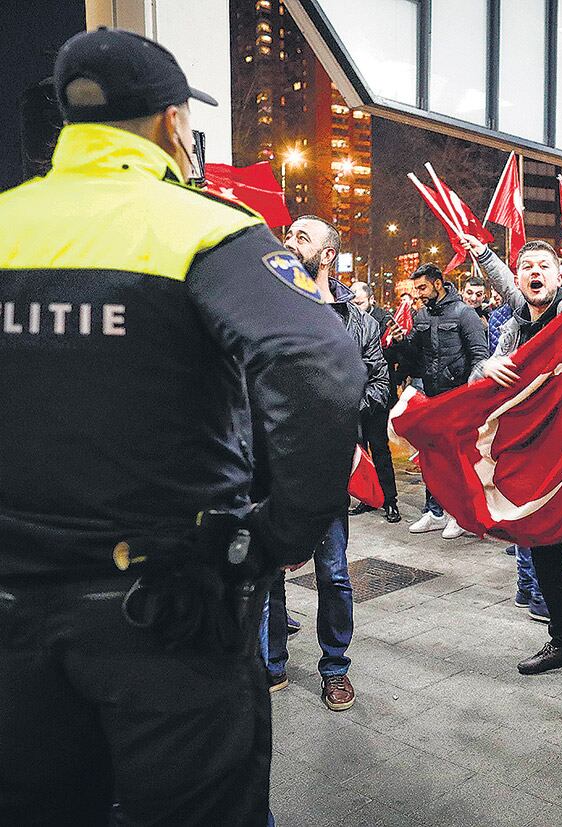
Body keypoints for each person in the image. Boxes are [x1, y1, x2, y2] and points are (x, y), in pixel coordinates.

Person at [0, 28, 363, 823]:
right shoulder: (203, 227)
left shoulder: (8, 222)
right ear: (172, 124)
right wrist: (276, 533)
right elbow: (322, 370)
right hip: (166, 603)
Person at [463, 233, 562, 705]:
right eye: (526, 265)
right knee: (545, 559)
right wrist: (486, 368)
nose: (534, 272)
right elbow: (478, 391)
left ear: (560, 276)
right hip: (532, 466)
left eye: (543, 266)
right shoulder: (511, 328)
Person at [257, 215, 388, 712]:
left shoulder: (359, 322)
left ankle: (335, 668)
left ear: (327, 254)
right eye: (287, 235)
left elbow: (379, 386)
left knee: (333, 574)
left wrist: (336, 409)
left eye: (302, 237)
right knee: (269, 572)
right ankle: (271, 663)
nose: (290, 242)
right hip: (275, 467)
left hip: (331, 470)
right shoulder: (268, 311)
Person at [389, 262, 488, 539]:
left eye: (422, 287)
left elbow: (480, 355)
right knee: (431, 457)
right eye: (416, 288)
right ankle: (434, 512)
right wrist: (400, 342)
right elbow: (415, 357)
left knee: (458, 460)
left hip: (457, 401)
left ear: (437, 283)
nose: (418, 293)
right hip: (431, 398)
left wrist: (471, 395)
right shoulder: (421, 315)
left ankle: (460, 515)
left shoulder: (464, 314)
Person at [349, 281, 403, 523]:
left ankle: (390, 500)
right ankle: (368, 496)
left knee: (380, 449)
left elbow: (387, 361)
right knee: (361, 452)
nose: (355, 306)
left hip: (376, 397)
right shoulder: (348, 320)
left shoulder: (382, 320)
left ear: (371, 300)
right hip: (353, 399)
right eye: (352, 302)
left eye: (359, 302)